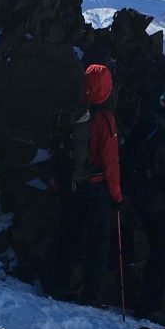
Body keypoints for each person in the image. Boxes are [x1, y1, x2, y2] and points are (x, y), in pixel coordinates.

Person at [48, 62, 120, 305]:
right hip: (95, 188)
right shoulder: (106, 120)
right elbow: (110, 162)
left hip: (70, 185)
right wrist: (117, 196)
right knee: (98, 243)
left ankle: (59, 284)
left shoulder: (73, 112)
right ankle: (91, 293)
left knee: (70, 235)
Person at [126, 87, 165, 318]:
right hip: (157, 205)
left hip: (133, 197)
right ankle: (149, 306)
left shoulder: (142, 128)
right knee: (161, 255)